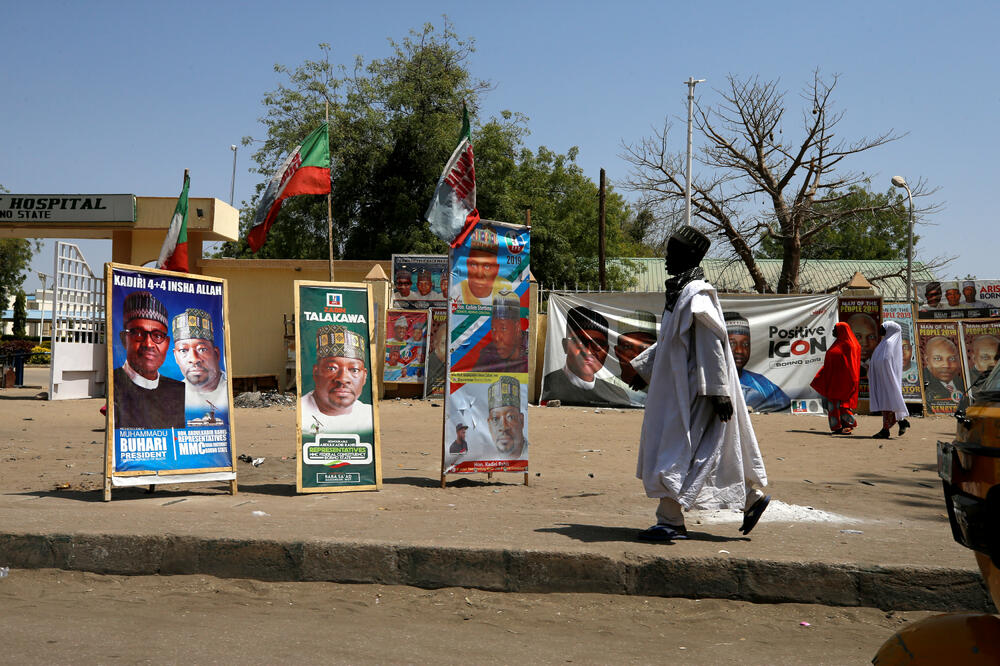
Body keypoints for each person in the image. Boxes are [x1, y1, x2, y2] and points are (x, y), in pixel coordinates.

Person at [632, 225, 769, 542]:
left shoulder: (697, 294)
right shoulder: (679, 294)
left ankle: (670, 521)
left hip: (694, 392)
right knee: (700, 452)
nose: (666, 258)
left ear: (688, 256)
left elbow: (712, 344)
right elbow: (669, 342)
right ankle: (750, 498)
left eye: (672, 252)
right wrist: (645, 371)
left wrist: (718, 392)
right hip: (680, 389)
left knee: (677, 451)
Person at [112, 291, 185, 429]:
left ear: (167, 344)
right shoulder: (114, 384)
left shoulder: (180, 391)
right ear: (123, 339)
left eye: (157, 336)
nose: (149, 344)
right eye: (138, 333)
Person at [541, 306, 631, 407]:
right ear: (565, 345)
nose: (587, 351)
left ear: (606, 351)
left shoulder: (616, 394)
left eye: (597, 344)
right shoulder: (548, 386)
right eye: (581, 342)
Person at [301, 324, 371, 433]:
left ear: (364, 376)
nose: (343, 379)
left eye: (354, 370)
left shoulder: (368, 416)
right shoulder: (302, 414)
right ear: (316, 372)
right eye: (332, 368)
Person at [724, 312, 791, 413]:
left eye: (746, 344)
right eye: (732, 343)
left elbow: (788, 410)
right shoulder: (706, 385)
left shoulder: (764, 385)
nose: (740, 350)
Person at [171, 308, 228, 419]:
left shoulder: (228, 390)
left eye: (202, 349)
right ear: (176, 357)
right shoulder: (171, 396)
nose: (194, 359)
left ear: (216, 354)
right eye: (183, 350)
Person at [809, 322, 861, 434]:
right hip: (835, 379)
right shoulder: (838, 343)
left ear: (841, 330)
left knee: (843, 405)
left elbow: (852, 365)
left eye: (835, 329)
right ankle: (837, 427)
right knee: (833, 405)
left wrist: (852, 381)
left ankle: (848, 425)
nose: (833, 331)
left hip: (845, 380)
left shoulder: (850, 345)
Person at [868, 321, 911, 438]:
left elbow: (885, 360)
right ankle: (901, 422)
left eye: (883, 327)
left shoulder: (889, 343)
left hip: (887, 377)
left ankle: (886, 429)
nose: (880, 329)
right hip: (883, 377)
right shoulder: (884, 342)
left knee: (889, 402)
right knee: (887, 402)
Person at [456, 227, 514, 305]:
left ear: (496, 269)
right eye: (474, 264)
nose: (479, 274)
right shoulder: (457, 291)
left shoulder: (507, 288)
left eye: (487, 266)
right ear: (467, 264)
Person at [476, 290, 528, 372]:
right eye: (493, 329)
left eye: (503, 328)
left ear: (517, 327)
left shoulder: (530, 349)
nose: (496, 338)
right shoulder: (488, 354)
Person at [487, 376, 528, 458]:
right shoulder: (486, 457)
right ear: (489, 425)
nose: (504, 427)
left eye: (510, 417)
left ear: (521, 420)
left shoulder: (531, 456)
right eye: (495, 419)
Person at [923, 335, 966, 405]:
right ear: (927, 360)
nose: (946, 365)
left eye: (952, 359)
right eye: (938, 359)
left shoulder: (964, 383)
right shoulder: (920, 383)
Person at [846, 312, 879, 378]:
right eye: (858, 337)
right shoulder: (840, 366)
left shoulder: (882, 366)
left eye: (871, 337)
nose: (865, 343)